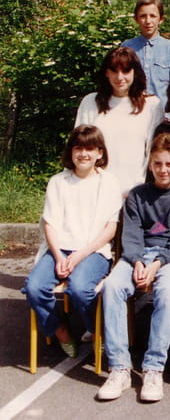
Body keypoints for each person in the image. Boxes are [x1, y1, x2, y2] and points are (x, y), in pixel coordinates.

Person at [97, 133, 170, 402]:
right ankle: (119, 368)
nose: (163, 170)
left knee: (167, 292)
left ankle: (153, 368)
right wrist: (138, 261)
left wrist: (156, 264)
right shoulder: (137, 195)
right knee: (112, 287)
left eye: (169, 164)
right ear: (150, 164)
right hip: (138, 256)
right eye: (157, 164)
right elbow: (131, 234)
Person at [23, 125, 121, 357]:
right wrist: (58, 256)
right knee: (34, 288)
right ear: (71, 151)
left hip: (93, 251)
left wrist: (80, 255)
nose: (83, 154)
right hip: (59, 249)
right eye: (78, 148)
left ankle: (96, 329)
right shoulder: (58, 182)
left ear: (100, 153)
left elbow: (111, 228)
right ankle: (60, 330)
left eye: (90, 148)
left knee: (80, 289)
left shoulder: (109, 182)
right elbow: (50, 224)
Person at [75, 46, 163, 197]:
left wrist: (140, 188)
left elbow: (152, 150)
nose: (119, 77)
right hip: (95, 190)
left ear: (135, 72)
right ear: (106, 73)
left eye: (126, 71)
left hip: (135, 191)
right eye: (114, 71)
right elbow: (78, 147)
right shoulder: (90, 102)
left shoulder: (152, 105)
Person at [121, 0, 170, 108]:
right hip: (133, 109)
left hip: (163, 111)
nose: (148, 21)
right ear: (136, 19)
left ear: (161, 19)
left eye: (153, 16)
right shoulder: (127, 47)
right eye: (143, 16)